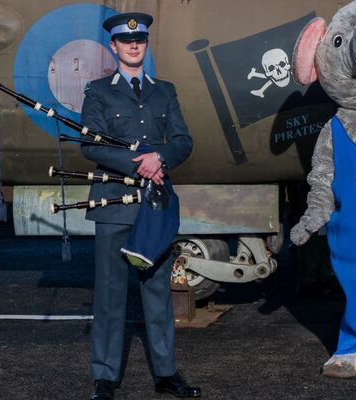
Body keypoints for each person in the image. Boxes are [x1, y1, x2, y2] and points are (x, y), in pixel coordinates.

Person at [80, 12, 200, 399]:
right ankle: (104, 377)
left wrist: (159, 159)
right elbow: (91, 144)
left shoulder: (164, 91)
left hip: (154, 206)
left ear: (145, 46)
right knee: (110, 295)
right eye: (127, 41)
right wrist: (142, 162)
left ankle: (165, 373)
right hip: (114, 205)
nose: (135, 46)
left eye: (141, 40)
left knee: (157, 293)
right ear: (114, 47)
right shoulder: (98, 91)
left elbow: (182, 140)